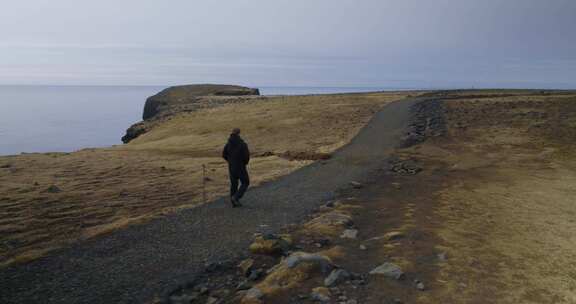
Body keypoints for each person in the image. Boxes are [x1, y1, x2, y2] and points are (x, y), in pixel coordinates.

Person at [222, 128, 250, 207]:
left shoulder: (228, 144)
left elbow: (224, 154)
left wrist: (230, 161)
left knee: (234, 184)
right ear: (239, 133)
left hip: (231, 166)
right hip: (240, 166)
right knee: (245, 182)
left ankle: (233, 201)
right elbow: (246, 156)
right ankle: (236, 197)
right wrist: (244, 163)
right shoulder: (242, 144)